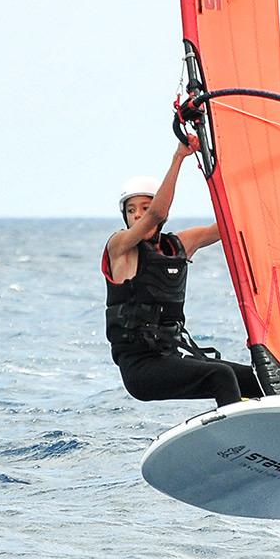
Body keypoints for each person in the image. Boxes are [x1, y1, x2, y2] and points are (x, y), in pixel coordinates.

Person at [103, 134, 260, 407]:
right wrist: (179, 157)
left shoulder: (178, 246)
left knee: (255, 378)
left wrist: (255, 178)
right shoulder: (120, 247)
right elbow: (157, 215)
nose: (138, 215)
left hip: (170, 357)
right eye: (131, 210)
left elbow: (229, 224)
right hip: (140, 369)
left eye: (144, 207)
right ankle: (239, 429)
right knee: (220, 375)